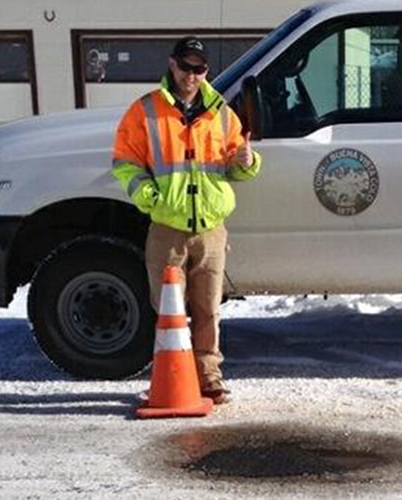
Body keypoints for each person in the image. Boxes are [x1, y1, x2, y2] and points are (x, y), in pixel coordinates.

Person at [111, 36, 261, 405]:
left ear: (206, 71)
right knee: (167, 310)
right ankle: (169, 377)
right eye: (185, 66)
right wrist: (150, 198)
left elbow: (235, 166)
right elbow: (124, 161)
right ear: (172, 64)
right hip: (167, 228)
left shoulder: (222, 113)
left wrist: (248, 163)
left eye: (199, 68)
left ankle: (209, 377)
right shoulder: (145, 111)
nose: (191, 75)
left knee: (209, 309)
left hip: (210, 228)